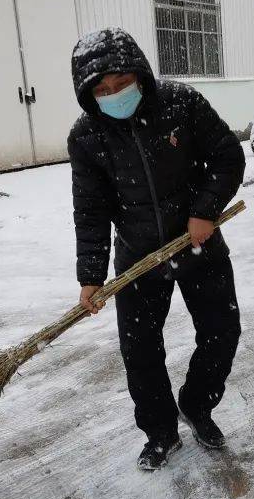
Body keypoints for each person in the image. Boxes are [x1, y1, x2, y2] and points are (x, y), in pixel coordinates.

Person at [68, 28, 244, 472]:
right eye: (102, 91)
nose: (114, 95)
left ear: (140, 74)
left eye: (120, 83)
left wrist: (205, 210)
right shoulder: (88, 136)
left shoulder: (181, 104)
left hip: (198, 244)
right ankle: (161, 431)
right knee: (141, 351)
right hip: (137, 258)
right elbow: (91, 209)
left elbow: (227, 156)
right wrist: (90, 276)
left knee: (222, 332)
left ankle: (197, 406)